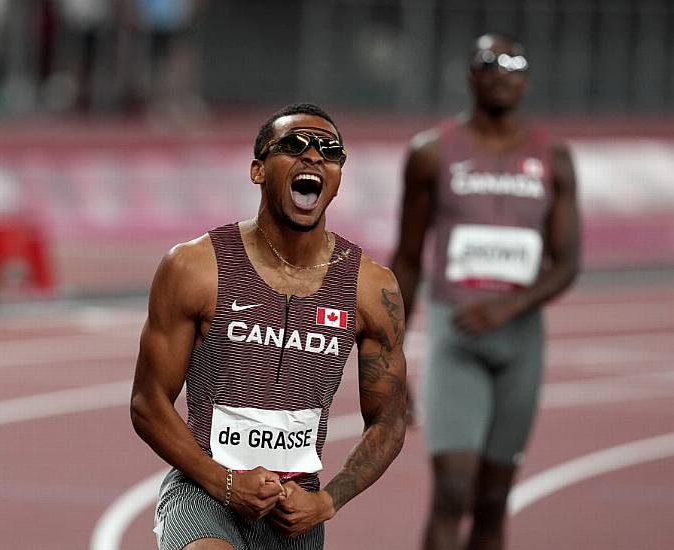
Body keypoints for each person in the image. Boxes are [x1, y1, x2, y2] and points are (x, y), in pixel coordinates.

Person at [131, 102, 407, 549]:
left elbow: (389, 421)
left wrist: (329, 501)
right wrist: (224, 483)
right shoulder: (196, 267)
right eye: (294, 145)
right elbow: (148, 403)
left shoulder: (370, 288)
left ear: (337, 178)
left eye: (329, 150)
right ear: (258, 170)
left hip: (295, 509)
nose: (313, 156)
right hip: (203, 490)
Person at [390, 34, 580, 549]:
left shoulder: (555, 158)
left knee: (495, 500)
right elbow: (406, 259)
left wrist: (510, 305)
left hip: (520, 342)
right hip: (456, 339)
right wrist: (392, 355)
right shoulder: (431, 154)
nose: (503, 73)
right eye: (490, 64)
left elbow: (567, 263)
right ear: (470, 76)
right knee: (452, 492)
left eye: (516, 65)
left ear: (528, 81)